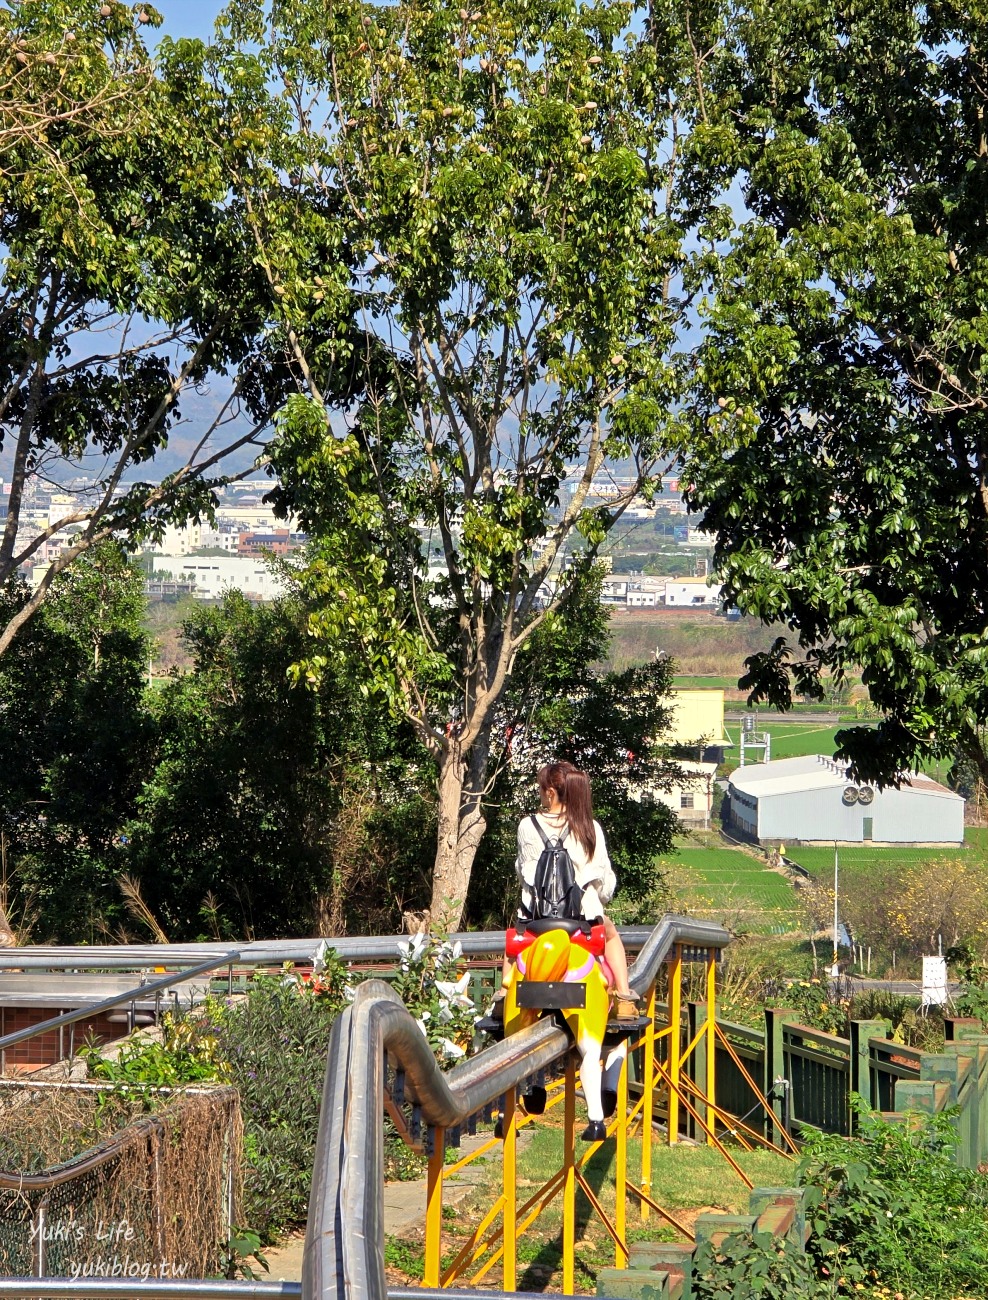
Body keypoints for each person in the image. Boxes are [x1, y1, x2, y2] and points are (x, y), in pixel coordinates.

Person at [498, 760, 640, 1022]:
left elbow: (523, 874)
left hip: (536, 921)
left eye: (541, 789)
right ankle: (624, 997)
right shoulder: (589, 827)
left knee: (513, 946)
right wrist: (597, 900)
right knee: (611, 936)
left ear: (550, 793)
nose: (540, 794)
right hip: (581, 923)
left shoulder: (527, 826)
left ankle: (502, 997)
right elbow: (604, 884)